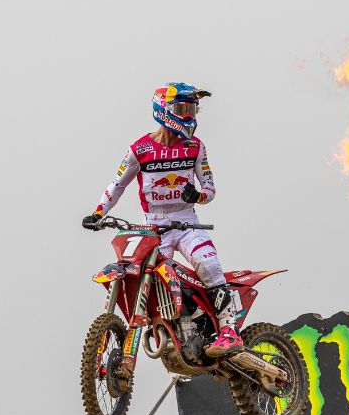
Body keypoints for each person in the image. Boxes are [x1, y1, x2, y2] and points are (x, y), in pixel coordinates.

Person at [82, 82, 242, 358]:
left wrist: (199, 196)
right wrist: (99, 213)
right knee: (151, 277)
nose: (190, 115)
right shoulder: (139, 149)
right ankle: (172, 327)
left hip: (188, 222)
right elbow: (117, 184)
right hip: (154, 227)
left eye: (193, 108)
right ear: (163, 109)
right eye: (182, 108)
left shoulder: (195, 147)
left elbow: (210, 189)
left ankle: (229, 331)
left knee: (208, 264)